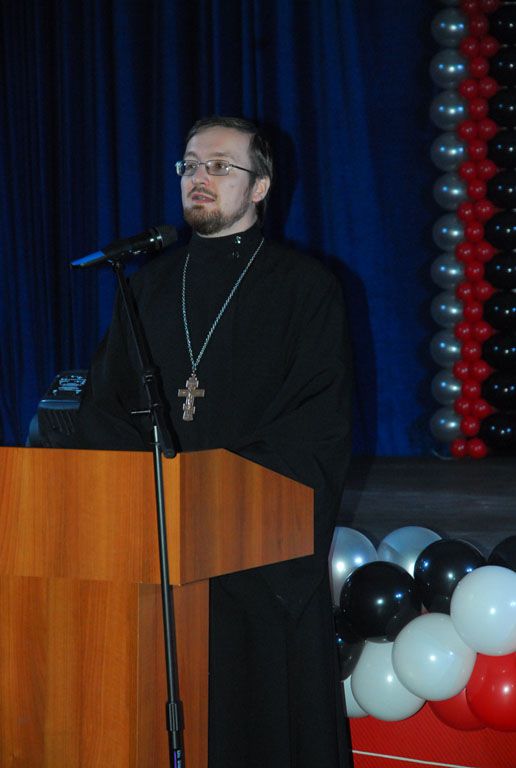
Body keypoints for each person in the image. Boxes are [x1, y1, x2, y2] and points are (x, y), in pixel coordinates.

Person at [52, 116, 353, 767]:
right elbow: (104, 408)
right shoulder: (147, 285)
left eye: (220, 166)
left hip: (255, 556)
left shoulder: (306, 289)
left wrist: (209, 492)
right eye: (190, 165)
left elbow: (317, 424)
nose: (199, 178)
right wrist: (150, 489)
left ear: (261, 186)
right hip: (159, 552)